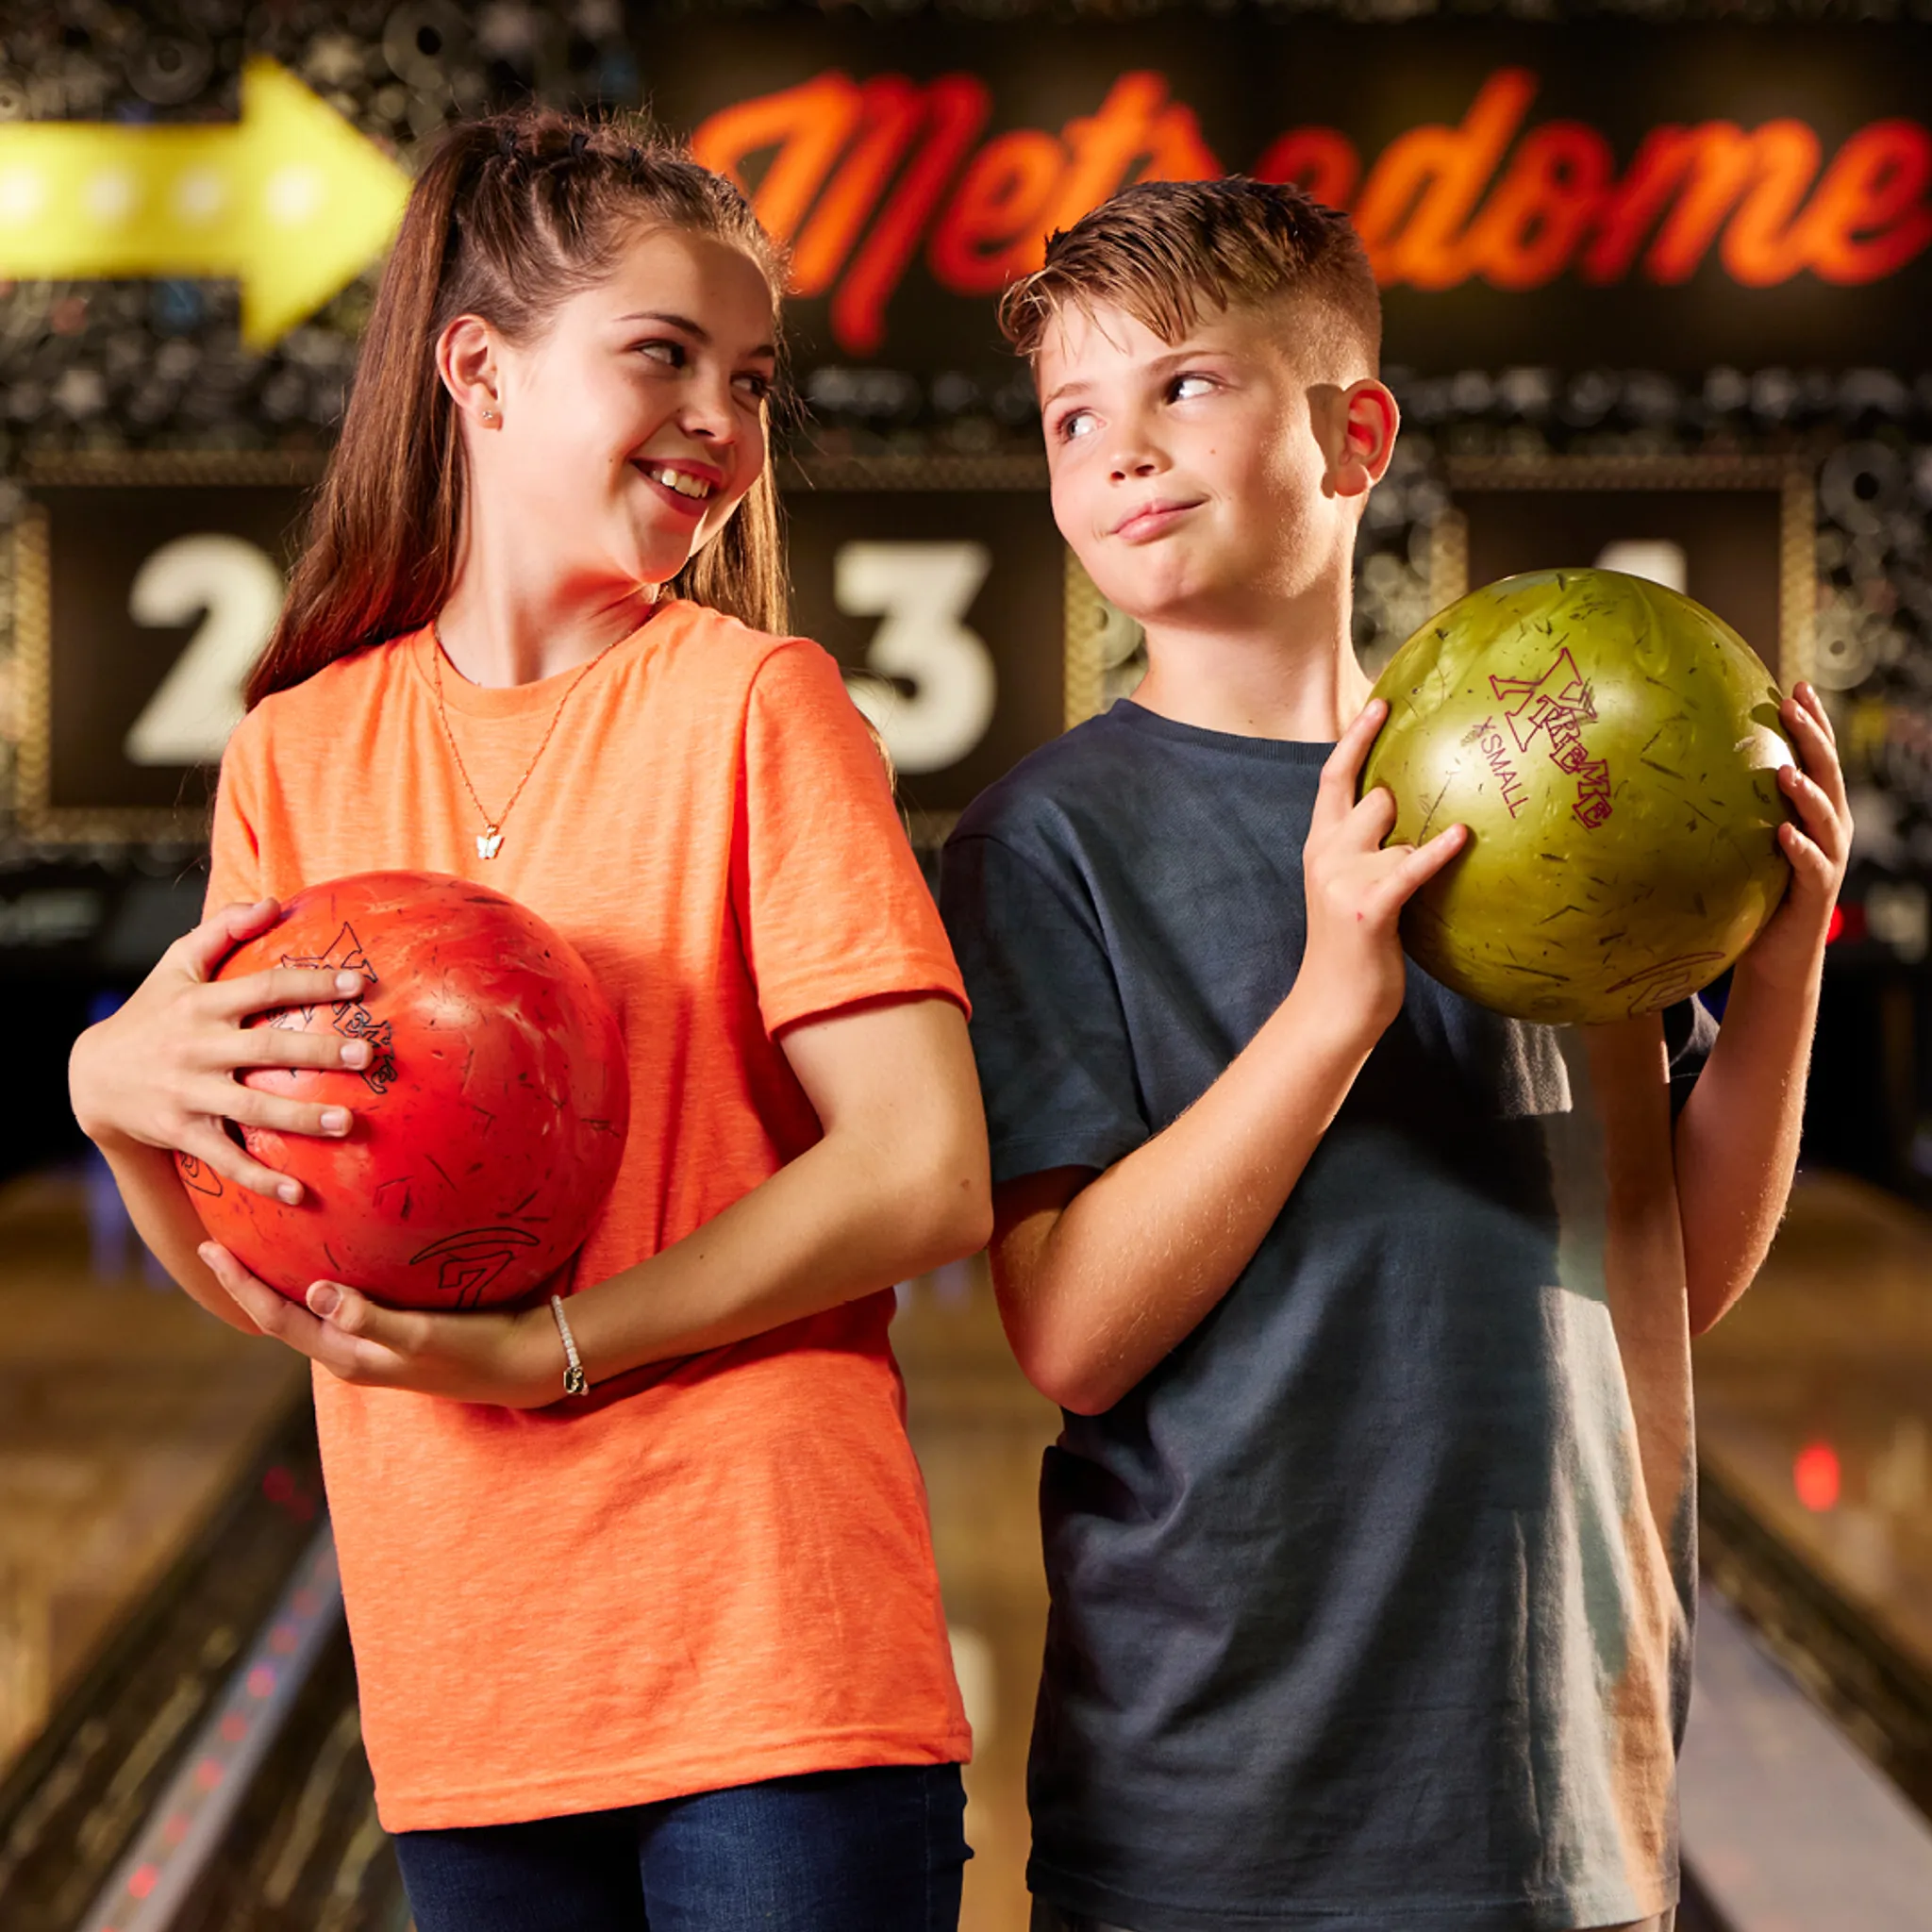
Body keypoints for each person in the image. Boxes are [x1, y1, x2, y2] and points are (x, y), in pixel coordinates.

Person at [68, 109, 991, 1932]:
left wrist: (555, 1348)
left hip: (771, 1657)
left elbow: (925, 1169)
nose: (723, 422)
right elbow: (287, 1272)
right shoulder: (296, 750)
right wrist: (113, 1098)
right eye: (662, 355)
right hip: (468, 1676)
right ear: (475, 369)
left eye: (749, 377)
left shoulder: (755, 707)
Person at [938, 177, 1851, 1932]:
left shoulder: (1559, 794)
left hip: (1560, 1786)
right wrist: (1334, 1000)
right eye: (1074, 417)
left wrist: (1784, 963)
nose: (1123, 449)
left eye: (1187, 386)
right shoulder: (1044, 845)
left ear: (1353, 433)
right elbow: (1066, 1330)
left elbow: (1662, 1278)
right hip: (1219, 1811)